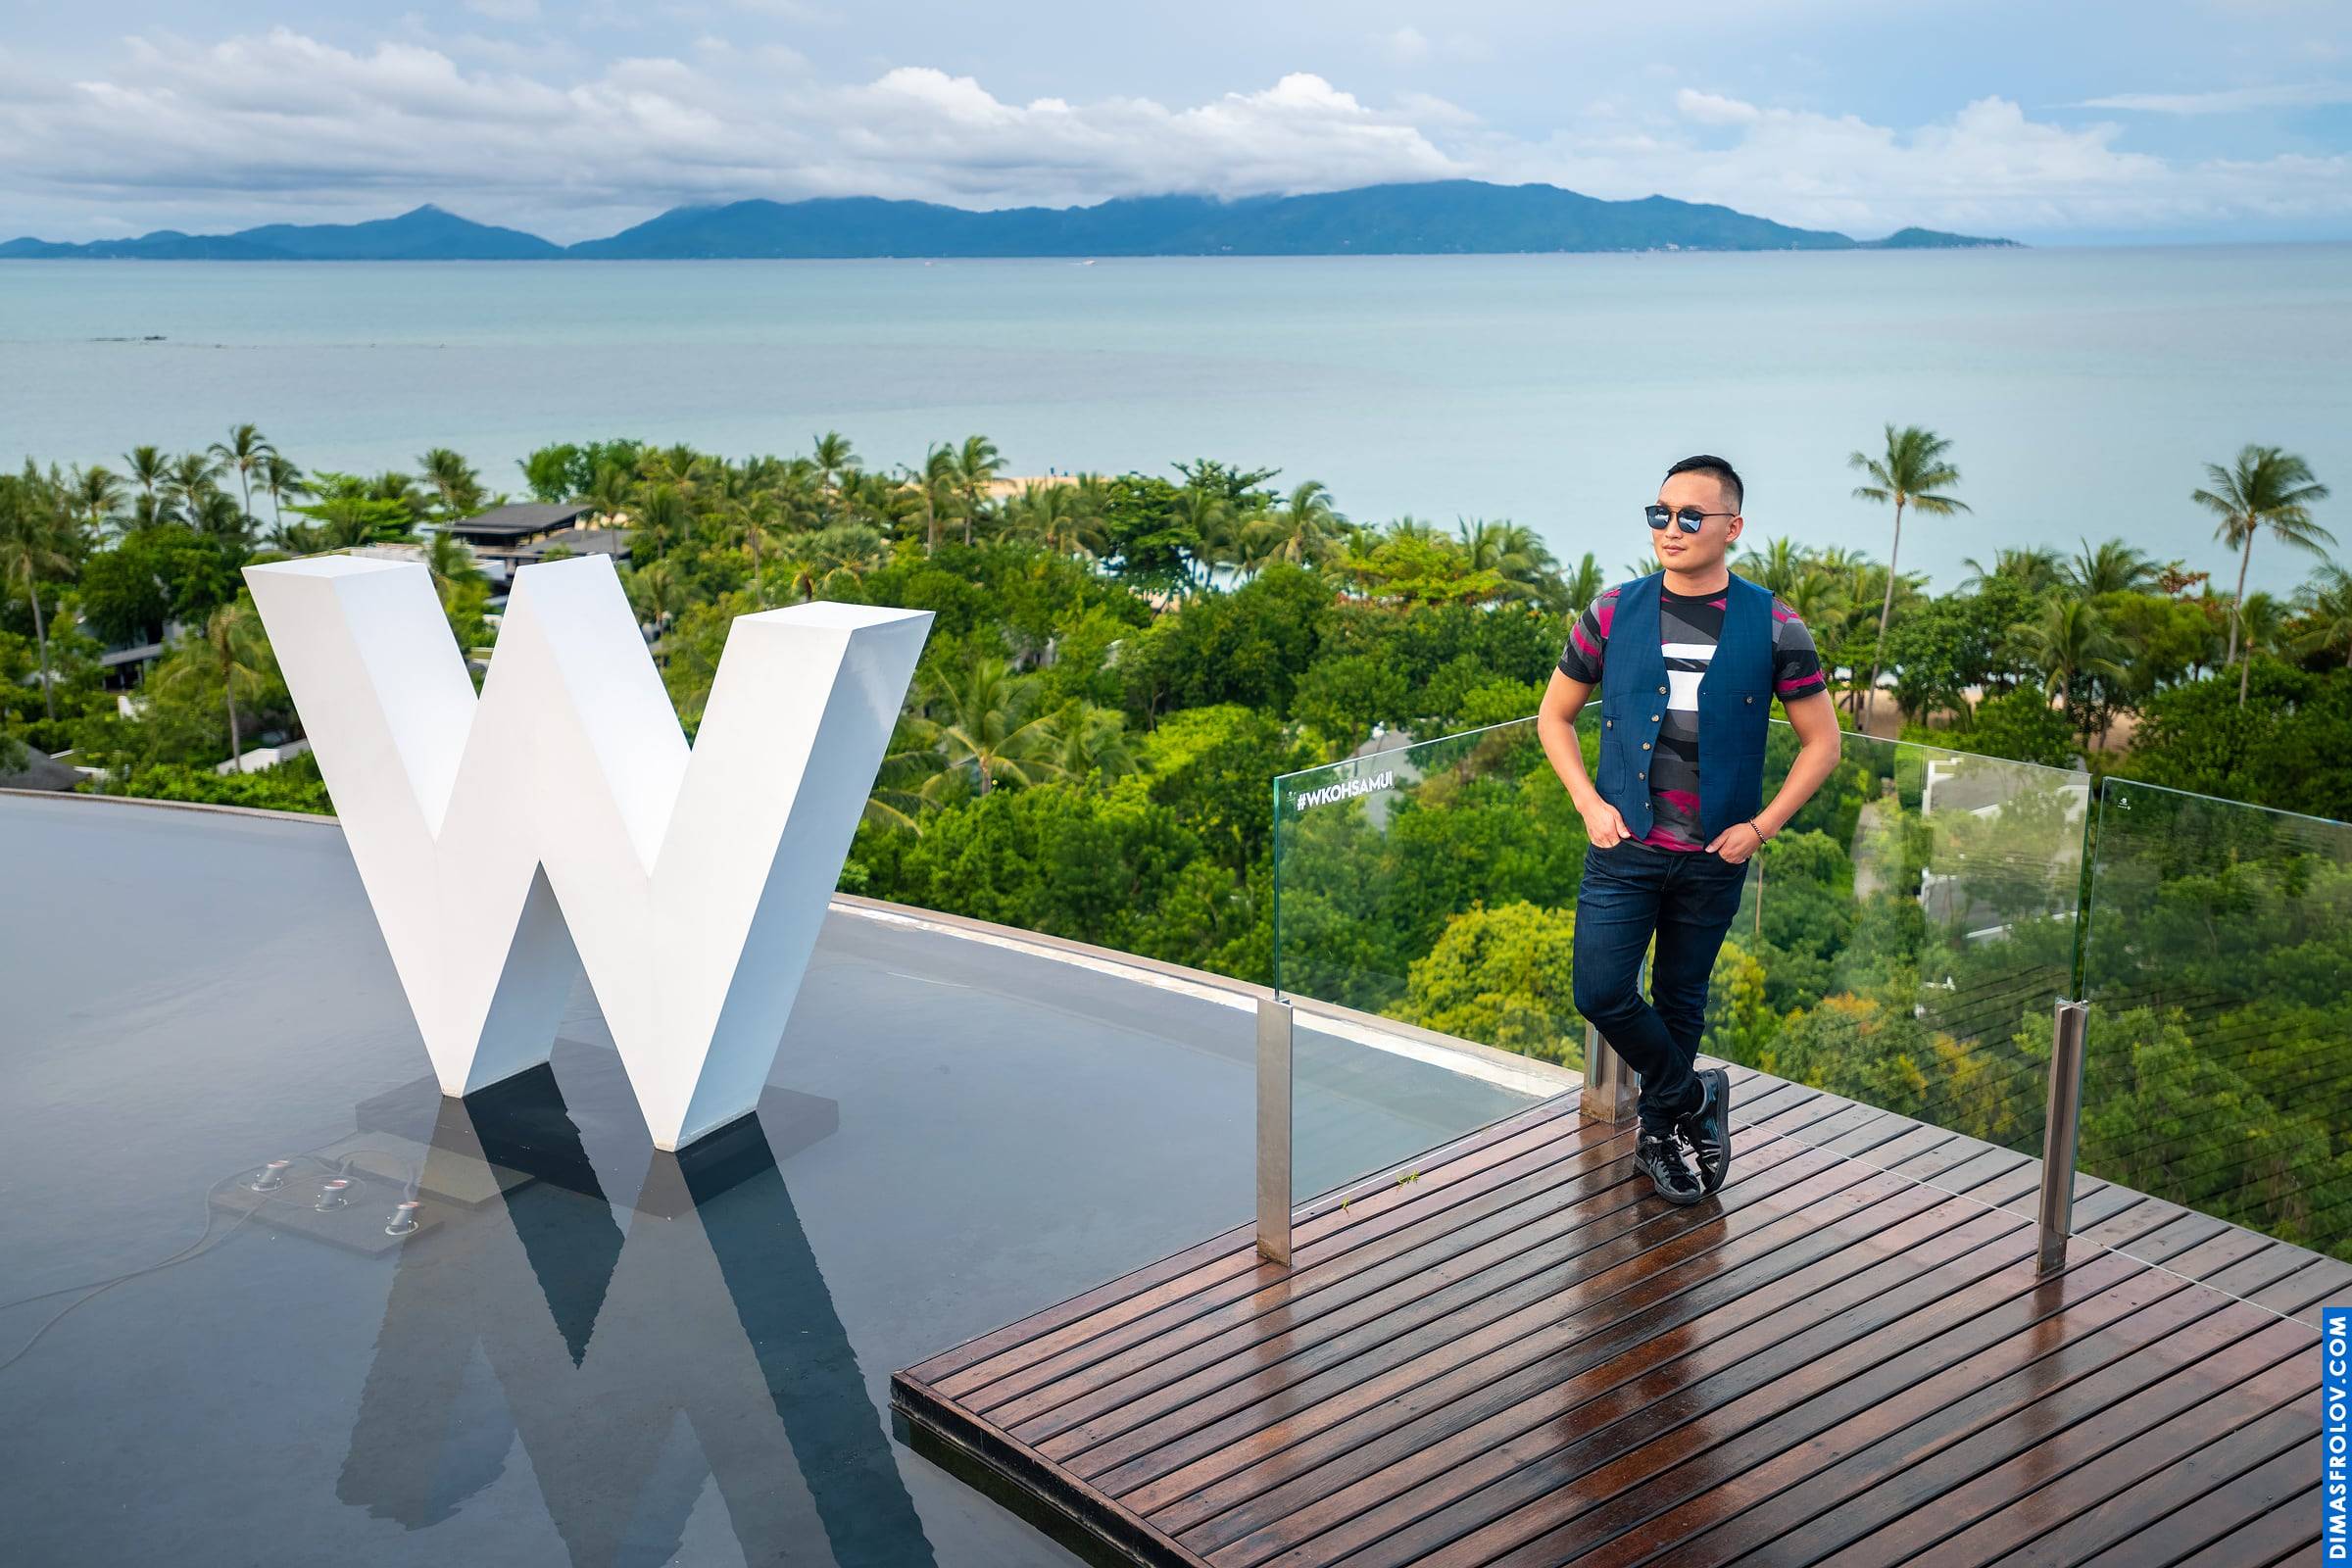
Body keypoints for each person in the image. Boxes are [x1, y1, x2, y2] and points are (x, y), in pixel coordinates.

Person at [1535, 455, 1842, 1204]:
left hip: (1715, 855)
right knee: (1600, 990)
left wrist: (1760, 829)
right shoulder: (1613, 612)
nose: (1671, 529)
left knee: (1680, 998)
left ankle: (1658, 1137)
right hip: (1624, 847)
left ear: (1732, 528)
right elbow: (1554, 717)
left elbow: (1823, 744)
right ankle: (1691, 1096)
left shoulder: (1776, 625)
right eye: (1661, 514)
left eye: (1691, 517)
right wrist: (1588, 804)